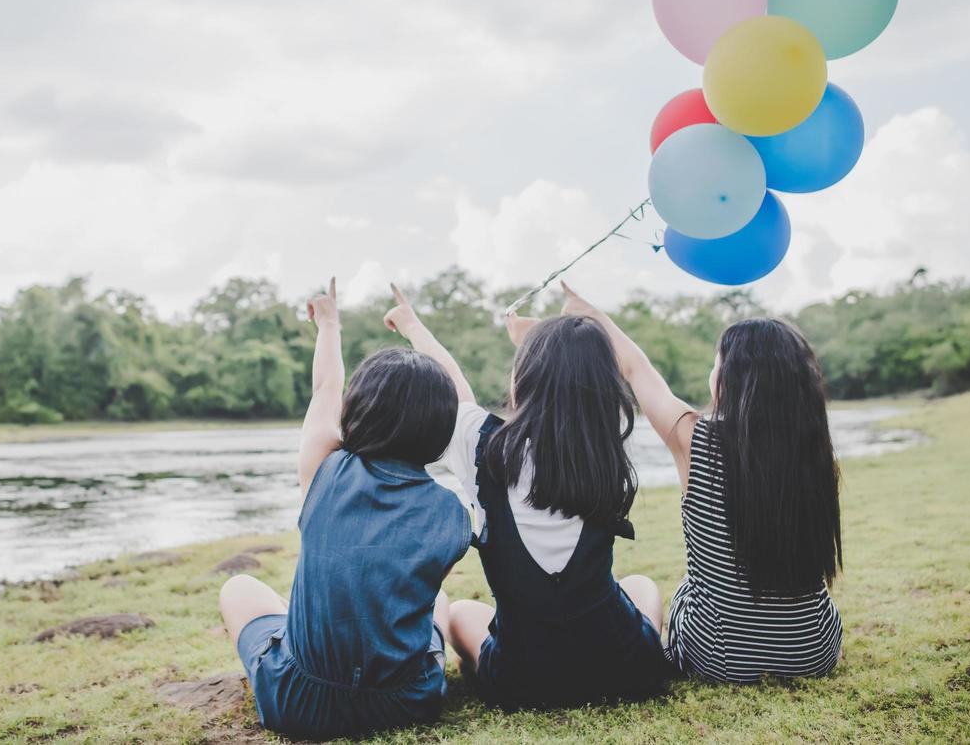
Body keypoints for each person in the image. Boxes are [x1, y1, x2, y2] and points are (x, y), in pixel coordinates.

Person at [384, 284, 670, 710]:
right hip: (626, 669)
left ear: (524, 377)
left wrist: (412, 326)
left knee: (463, 612)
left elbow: (453, 388)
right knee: (641, 586)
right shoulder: (606, 449)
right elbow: (607, 374)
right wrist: (553, 340)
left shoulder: (483, 448)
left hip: (522, 682)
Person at [218, 278, 472, 741]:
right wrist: (416, 330)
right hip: (408, 701)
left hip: (299, 703)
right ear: (444, 424)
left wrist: (329, 325)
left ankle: (287, 622)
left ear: (358, 409)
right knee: (436, 600)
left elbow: (324, 390)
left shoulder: (324, 468)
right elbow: (462, 403)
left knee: (239, 587)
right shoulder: (452, 512)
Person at [555, 282, 844, 683]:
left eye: (716, 363)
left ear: (731, 379)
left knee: (670, 593)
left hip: (720, 659)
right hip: (814, 651)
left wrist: (591, 313)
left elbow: (636, 368)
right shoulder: (816, 455)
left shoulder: (696, 440)